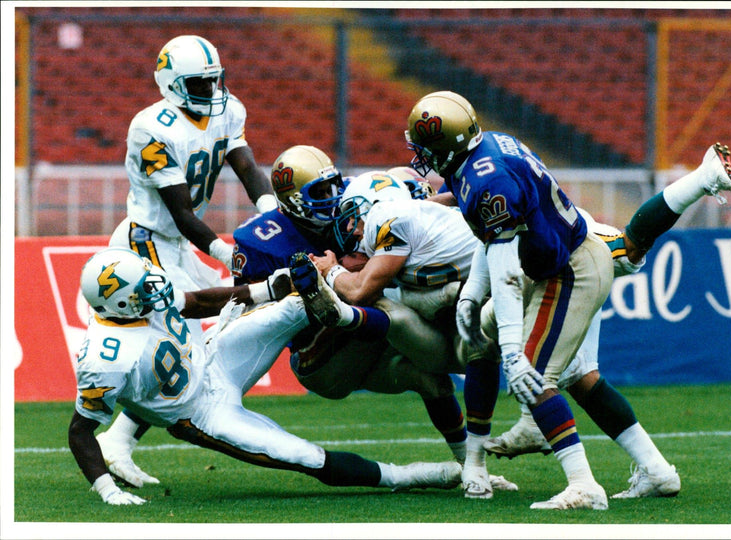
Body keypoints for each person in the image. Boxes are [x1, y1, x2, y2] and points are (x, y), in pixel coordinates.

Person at [68, 247, 462, 505]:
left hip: (215, 358)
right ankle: (404, 476)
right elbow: (80, 432)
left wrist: (265, 289)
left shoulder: (138, 294)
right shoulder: (106, 356)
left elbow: (200, 302)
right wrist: (106, 489)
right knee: (302, 455)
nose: (155, 290)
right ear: (119, 303)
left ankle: (414, 302)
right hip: (198, 413)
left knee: (301, 300)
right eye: (143, 291)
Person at [482, 142, 731, 499]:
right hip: (558, 238)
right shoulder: (476, 173)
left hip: (560, 247)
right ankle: (657, 471)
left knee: (507, 338)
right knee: (580, 375)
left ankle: (561, 460)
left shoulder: (460, 195)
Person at [405, 90, 611, 510]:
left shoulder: (486, 180)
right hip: (548, 265)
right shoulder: (479, 155)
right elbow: (492, 240)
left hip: (570, 269)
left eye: (425, 147)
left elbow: (508, 272)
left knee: (531, 375)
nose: (421, 156)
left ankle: (584, 485)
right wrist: (472, 295)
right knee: (480, 338)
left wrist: (513, 351)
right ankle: (475, 463)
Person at [99, 35, 279, 481]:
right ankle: (114, 434)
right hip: (148, 243)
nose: (212, 93)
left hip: (178, 244)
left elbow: (246, 166)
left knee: (227, 318)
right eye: (201, 84)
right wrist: (223, 251)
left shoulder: (226, 109)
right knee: (180, 346)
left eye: (216, 81)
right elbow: (180, 212)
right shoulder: (152, 127)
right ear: (171, 84)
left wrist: (270, 212)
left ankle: (118, 437)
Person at [294, 170, 513, 500]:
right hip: (464, 311)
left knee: (412, 313)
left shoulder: (391, 218)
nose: (353, 230)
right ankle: (475, 464)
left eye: (355, 217)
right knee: (418, 315)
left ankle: (504, 458)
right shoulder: (415, 223)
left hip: (496, 295)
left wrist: (331, 271)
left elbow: (361, 288)